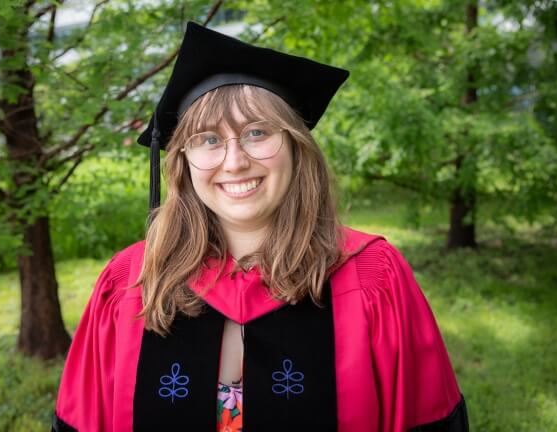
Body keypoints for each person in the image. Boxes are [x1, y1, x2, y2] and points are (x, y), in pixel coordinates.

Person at [52, 22, 469, 432]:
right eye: (209, 139)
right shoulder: (128, 283)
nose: (234, 162)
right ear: (182, 161)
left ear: (295, 147)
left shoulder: (373, 276)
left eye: (256, 133)